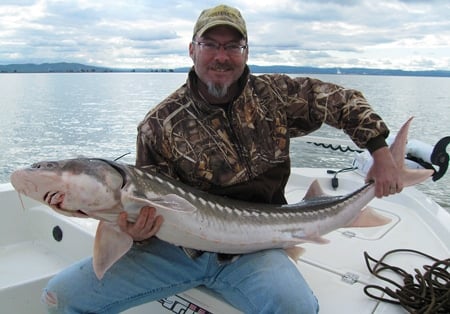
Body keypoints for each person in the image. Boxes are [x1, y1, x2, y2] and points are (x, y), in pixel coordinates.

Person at [43, 4, 403, 314]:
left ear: (245, 52)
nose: (221, 55)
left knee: (296, 307)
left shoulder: (274, 96)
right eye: (210, 44)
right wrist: (135, 231)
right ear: (192, 50)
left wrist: (381, 153)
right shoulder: (159, 124)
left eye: (233, 45)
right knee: (62, 296)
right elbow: (140, 217)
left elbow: (340, 99)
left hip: (258, 246)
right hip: (176, 250)